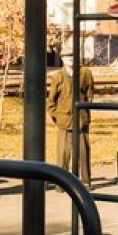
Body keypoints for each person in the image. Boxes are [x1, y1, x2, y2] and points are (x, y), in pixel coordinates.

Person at [46, 57, 94, 185]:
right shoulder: (58, 76)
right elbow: (51, 102)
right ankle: (61, 183)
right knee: (63, 154)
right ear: (62, 58)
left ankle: (85, 182)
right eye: (67, 56)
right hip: (64, 121)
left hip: (81, 120)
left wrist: (86, 113)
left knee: (84, 153)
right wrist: (57, 117)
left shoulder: (85, 73)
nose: (71, 58)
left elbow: (90, 95)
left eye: (73, 55)